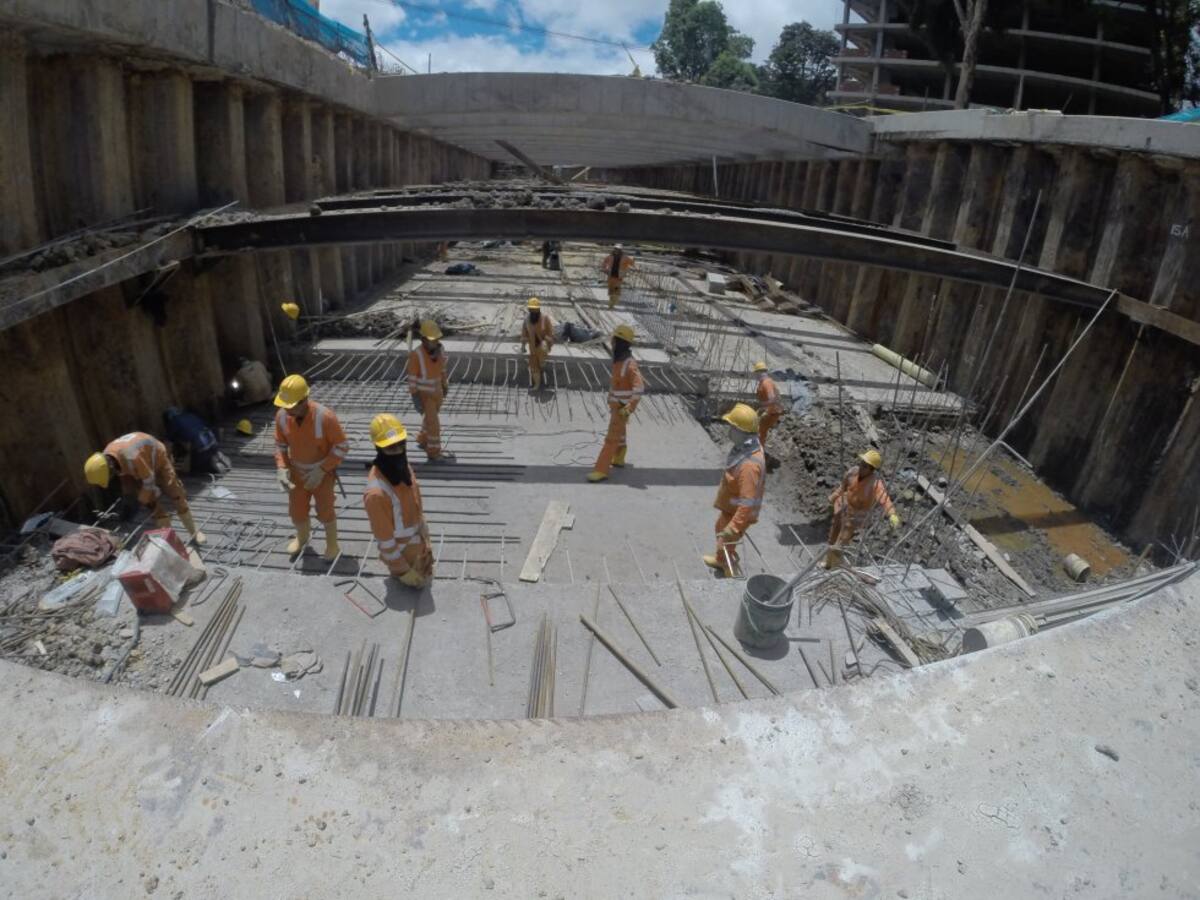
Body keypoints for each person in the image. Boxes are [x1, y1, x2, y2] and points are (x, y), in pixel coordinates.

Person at [273, 374, 349, 560]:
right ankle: (302, 537)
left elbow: (342, 446)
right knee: (297, 510)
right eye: (285, 405)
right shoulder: (282, 416)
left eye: (290, 406)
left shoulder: (325, 417)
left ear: (304, 400)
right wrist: (282, 467)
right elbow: (280, 445)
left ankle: (332, 546)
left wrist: (323, 469)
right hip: (297, 471)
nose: (287, 410)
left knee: (325, 509)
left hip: (322, 473)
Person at [84, 432, 206, 545]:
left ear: (109, 467)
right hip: (139, 464)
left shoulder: (132, 457)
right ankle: (171, 537)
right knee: (151, 503)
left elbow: (149, 481)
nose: (111, 478)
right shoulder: (108, 458)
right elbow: (124, 477)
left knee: (175, 491)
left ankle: (194, 532)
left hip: (157, 457)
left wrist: (139, 500)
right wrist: (128, 500)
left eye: (110, 475)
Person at [363, 414, 434, 588]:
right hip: (403, 553)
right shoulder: (377, 494)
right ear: (378, 448)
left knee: (426, 579)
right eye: (391, 448)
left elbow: (415, 500)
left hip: (418, 541)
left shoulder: (404, 467)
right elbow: (384, 539)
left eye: (401, 444)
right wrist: (402, 570)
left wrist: (424, 530)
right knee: (418, 585)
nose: (398, 451)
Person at [702, 404, 766, 577]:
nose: (729, 430)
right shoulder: (745, 447)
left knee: (727, 538)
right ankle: (721, 560)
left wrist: (735, 527)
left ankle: (731, 573)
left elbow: (747, 502)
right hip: (731, 508)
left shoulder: (749, 466)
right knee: (720, 530)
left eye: (732, 427)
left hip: (739, 513)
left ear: (740, 431)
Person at [824, 449, 901, 569]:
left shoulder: (875, 484)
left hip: (856, 515)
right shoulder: (853, 472)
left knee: (841, 541)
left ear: (871, 470)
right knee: (833, 535)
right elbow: (843, 487)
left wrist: (892, 514)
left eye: (865, 466)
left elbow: (884, 498)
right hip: (844, 507)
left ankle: (831, 567)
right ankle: (828, 561)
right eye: (861, 463)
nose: (861, 467)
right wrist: (833, 498)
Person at [588, 324, 643, 482]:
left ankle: (601, 470)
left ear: (620, 342)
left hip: (621, 408)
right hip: (617, 406)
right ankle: (619, 456)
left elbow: (639, 387)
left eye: (614, 340)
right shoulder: (619, 362)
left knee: (611, 438)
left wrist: (629, 407)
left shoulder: (629, 364)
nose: (611, 343)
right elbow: (618, 385)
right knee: (621, 433)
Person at [407, 319, 453, 462]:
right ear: (423, 340)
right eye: (432, 340)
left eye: (437, 339)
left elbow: (443, 369)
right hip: (425, 395)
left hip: (437, 392)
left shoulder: (441, 350)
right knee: (434, 424)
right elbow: (412, 378)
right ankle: (433, 452)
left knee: (429, 419)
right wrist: (415, 396)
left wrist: (445, 385)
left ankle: (422, 439)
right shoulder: (417, 355)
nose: (435, 342)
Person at [163, 407, 229, 476]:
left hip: (201, 450)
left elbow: (168, 445)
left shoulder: (173, 422)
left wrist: (168, 464)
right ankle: (215, 455)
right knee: (193, 445)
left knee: (186, 470)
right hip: (213, 444)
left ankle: (210, 463)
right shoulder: (191, 416)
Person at [520, 297, 554, 390]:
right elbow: (523, 335)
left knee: (542, 354)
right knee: (534, 368)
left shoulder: (545, 319)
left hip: (542, 347)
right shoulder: (526, 320)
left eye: (535, 310)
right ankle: (536, 385)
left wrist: (545, 341)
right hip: (532, 349)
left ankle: (543, 363)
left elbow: (551, 336)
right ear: (529, 310)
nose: (533, 312)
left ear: (538, 309)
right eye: (532, 310)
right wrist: (523, 346)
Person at [752, 362, 783, 450]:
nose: (755, 376)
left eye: (755, 373)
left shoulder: (766, 383)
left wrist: (764, 408)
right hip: (769, 410)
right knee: (758, 429)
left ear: (759, 372)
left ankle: (758, 451)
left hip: (771, 412)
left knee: (760, 431)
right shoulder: (763, 382)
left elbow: (772, 399)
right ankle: (757, 449)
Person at [600, 243, 634, 309]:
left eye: (618, 249)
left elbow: (631, 263)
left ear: (621, 250)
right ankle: (611, 305)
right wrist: (604, 268)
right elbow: (604, 262)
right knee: (611, 291)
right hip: (610, 276)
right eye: (615, 249)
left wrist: (633, 263)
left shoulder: (625, 257)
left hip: (618, 278)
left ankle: (613, 303)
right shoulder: (610, 256)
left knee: (616, 291)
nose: (616, 250)